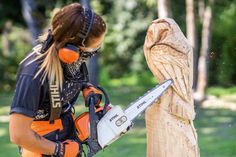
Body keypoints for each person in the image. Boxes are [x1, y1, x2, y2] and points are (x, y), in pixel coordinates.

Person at [9, 3, 106, 157]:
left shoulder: (71, 60)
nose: (94, 52)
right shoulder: (33, 73)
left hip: (65, 132)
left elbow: (65, 79)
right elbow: (18, 134)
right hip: (40, 145)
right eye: (92, 50)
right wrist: (60, 150)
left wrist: (85, 87)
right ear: (73, 50)